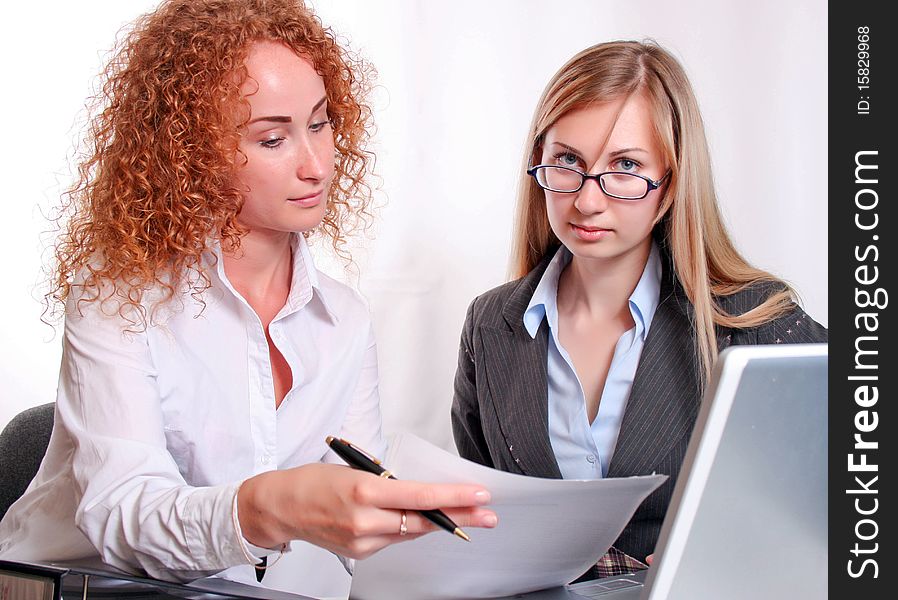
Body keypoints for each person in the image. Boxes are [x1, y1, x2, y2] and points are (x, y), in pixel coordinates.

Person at [0, 0, 495, 596]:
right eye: (272, 138)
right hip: (66, 589)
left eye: (319, 123)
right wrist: (267, 509)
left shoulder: (344, 320)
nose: (316, 165)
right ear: (192, 154)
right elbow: (121, 515)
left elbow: (350, 528)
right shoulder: (119, 299)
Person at [450, 40, 826, 581]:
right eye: (567, 162)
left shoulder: (756, 322)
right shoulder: (491, 326)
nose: (586, 200)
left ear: (670, 185)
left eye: (625, 166)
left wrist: (734, 557)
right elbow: (481, 520)